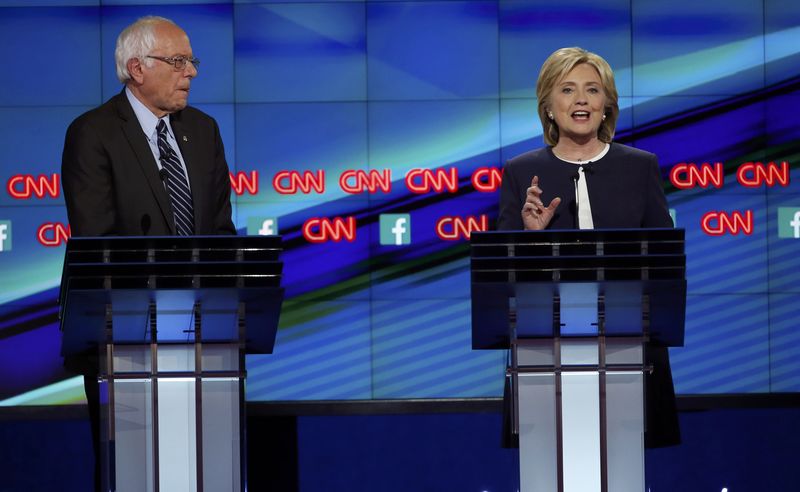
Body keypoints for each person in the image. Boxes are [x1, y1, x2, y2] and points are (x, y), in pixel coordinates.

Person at [61, 16, 236, 490]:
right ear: (136, 68)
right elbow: (97, 245)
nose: (191, 72)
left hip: (205, 341)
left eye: (192, 61)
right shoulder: (93, 133)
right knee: (133, 474)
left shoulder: (203, 130)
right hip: (125, 342)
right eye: (178, 61)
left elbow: (220, 231)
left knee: (207, 470)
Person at [497, 47, 680, 448]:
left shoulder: (640, 167)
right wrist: (532, 237)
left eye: (592, 90)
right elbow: (503, 285)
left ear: (606, 105)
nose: (581, 99)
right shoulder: (520, 173)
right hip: (544, 354)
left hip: (630, 350)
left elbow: (664, 266)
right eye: (567, 89)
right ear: (548, 107)